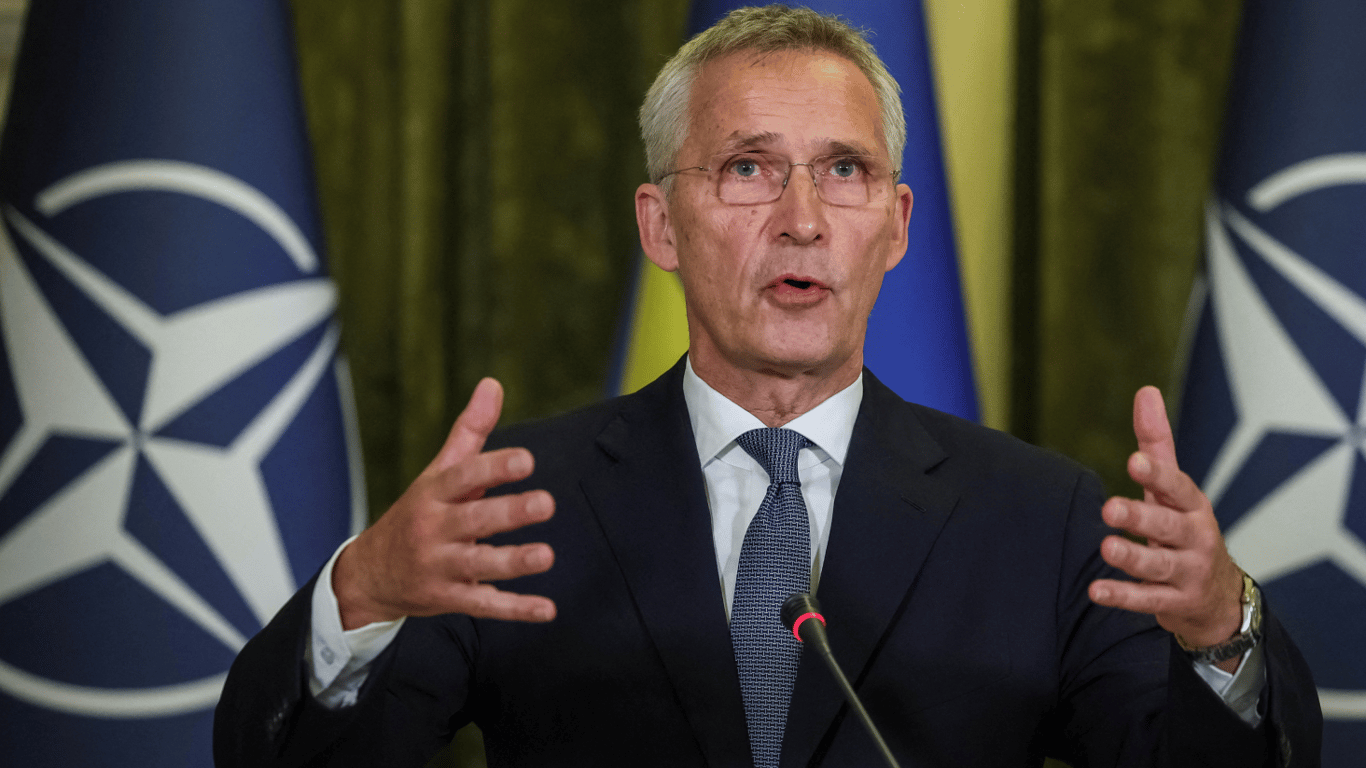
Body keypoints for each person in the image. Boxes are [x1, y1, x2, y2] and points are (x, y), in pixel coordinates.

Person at [214, 6, 1321, 767]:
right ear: (661, 225)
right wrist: (365, 594)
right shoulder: (518, 508)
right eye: (747, 167)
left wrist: (1219, 633)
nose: (802, 219)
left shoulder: (1042, 519)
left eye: (844, 170)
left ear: (896, 226)